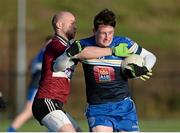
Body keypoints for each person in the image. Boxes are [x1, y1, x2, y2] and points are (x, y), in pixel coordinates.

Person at [54, 9, 156, 132]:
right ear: (94, 31)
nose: (107, 37)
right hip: (98, 109)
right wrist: (67, 54)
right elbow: (58, 66)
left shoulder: (124, 43)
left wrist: (144, 68)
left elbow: (150, 56)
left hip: (124, 107)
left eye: (110, 33)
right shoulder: (83, 45)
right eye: (103, 33)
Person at [32, 10, 132, 132]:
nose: (75, 26)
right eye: (72, 23)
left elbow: (83, 52)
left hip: (56, 104)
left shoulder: (68, 45)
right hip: (46, 102)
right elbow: (81, 54)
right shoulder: (56, 45)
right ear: (59, 25)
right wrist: (112, 51)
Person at [7, 36, 51, 132]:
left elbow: (30, 65)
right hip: (37, 85)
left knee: (50, 109)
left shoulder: (41, 53)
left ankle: (52, 130)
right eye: (50, 43)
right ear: (45, 44)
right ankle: (10, 130)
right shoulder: (45, 52)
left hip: (41, 85)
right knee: (28, 111)